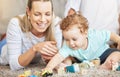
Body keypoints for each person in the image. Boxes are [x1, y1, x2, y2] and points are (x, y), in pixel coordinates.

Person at [43, 13, 120, 72]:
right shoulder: (68, 46)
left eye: (74, 39)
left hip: (103, 53)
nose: (71, 43)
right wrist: (48, 68)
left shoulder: (95, 35)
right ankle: (62, 67)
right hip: (84, 61)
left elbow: (110, 35)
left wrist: (118, 40)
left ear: (85, 33)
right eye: (66, 39)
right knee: (66, 58)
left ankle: (106, 64)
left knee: (117, 54)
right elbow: (59, 56)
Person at [0, 0, 63, 70]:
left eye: (47, 14)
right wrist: (35, 48)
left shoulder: (56, 24)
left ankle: (5, 36)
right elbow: (14, 65)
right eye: (37, 14)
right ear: (28, 11)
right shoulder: (15, 23)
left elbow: (56, 58)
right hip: (3, 50)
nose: (43, 19)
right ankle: (4, 37)